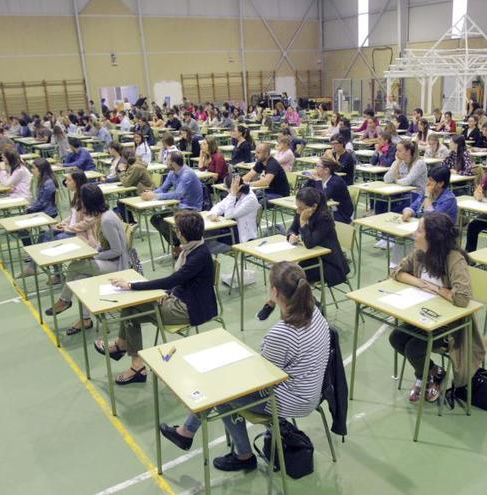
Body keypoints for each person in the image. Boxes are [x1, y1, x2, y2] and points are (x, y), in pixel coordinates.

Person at [160, 261, 329, 472]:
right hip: (311, 390)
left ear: (274, 292)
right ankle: (187, 432)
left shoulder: (282, 333)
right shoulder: (316, 314)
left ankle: (241, 454)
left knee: (219, 390)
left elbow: (261, 381)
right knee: (223, 381)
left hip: (291, 400)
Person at [99, 210, 218, 384]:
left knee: (131, 311)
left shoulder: (198, 255)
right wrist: (167, 293)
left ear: (182, 234)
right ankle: (126, 351)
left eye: (177, 229)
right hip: (181, 299)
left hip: (191, 309)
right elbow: (181, 282)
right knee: (130, 308)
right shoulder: (192, 249)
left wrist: (132, 286)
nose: (175, 231)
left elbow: (173, 279)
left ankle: (131, 358)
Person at [388, 212, 485, 402]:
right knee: (396, 338)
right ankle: (433, 372)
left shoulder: (454, 259)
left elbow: (463, 298)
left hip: (449, 326)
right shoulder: (419, 253)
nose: (415, 234)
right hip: (421, 316)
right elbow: (396, 271)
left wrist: (438, 289)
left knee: (414, 348)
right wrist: (419, 283)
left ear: (433, 237)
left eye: (419, 231)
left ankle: (423, 377)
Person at [45, 184, 129, 333]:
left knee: (73, 267)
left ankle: (64, 300)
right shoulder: (102, 216)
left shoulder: (107, 220)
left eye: (82, 200)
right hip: (107, 260)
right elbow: (103, 245)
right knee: (79, 277)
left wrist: (95, 255)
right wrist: (95, 251)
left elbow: (117, 250)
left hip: (117, 265)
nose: (80, 203)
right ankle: (85, 319)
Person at [255, 188, 349, 320]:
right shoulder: (302, 212)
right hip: (311, 258)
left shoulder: (325, 218)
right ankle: (273, 302)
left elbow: (310, 243)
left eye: (301, 208)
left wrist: (303, 222)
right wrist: (291, 235)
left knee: (291, 279)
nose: (298, 211)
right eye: (297, 208)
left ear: (314, 207)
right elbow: (292, 229)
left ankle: (312, 305)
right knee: (282, 272)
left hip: (329, 263)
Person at [144, 152, 203, 249]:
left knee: (165, 222)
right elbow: (163, 189)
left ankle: (181, 246)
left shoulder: (187, 174)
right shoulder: (172, 172)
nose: (166, 162)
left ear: (174, 163)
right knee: (155, 218)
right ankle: (177, 244)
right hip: (179, 206)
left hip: (191, 208)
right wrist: (150, 193)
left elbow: (177, 195)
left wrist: (155, 196)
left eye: (167, 161)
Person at [0, 148, 33, 237]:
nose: (2, 160)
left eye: (4, 158)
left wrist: (2, 170)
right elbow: (10, 183)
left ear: (10, 158)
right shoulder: (16, 167)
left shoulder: (19, 169)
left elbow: (6, 183)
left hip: (22, 198)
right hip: (17, 194)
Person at [208, 174, 260, 247]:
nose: (225, 189)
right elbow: (220, 205)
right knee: (208, 235)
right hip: (232, 229)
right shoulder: (235, 193)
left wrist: (232, 194)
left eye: (225, 186)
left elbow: (228, 215)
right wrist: (213, 214)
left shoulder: (250, 199)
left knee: (208, 240)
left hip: (242, 236)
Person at [380, 140, 427, 214]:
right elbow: (386, 179)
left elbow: (407, 181)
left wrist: (395, 180)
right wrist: (397, 163)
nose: (397, 153)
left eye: (399, 151)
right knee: (382, 200)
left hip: (417, 193)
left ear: (408, 152)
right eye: (396, 150)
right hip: (401, 191)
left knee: (397, 209)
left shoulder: (419, 163)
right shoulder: (398, 162)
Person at [306, 156, 354, 223]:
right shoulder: (319, 178)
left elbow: (322, 199)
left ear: (326, 170)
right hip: (329, 210)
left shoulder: (336, 182)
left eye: (317, 166)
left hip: (341, 213)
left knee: (315, 219)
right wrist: (310, 179)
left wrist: (317, 181)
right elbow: (304, 192)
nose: (315, 169)